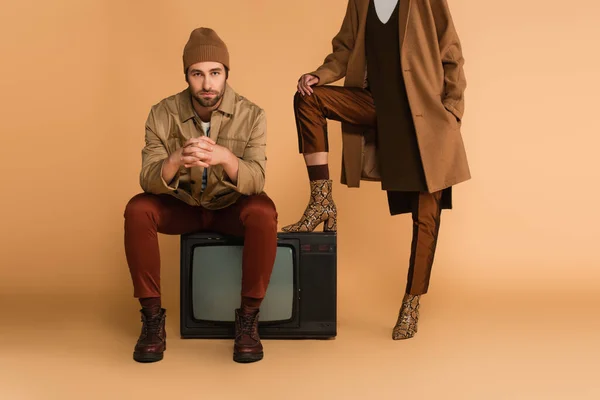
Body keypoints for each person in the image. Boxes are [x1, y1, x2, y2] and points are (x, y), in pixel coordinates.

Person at [281, 0, 470, 340]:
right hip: (376, 105)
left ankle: (412, 302)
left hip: (425, 117)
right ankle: (321, 201)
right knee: (308, 98)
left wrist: (452, 112)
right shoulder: (361, 2)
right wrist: (319, 75)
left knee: (427, 214)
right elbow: (343, 50)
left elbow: (451, 52)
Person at [123, 27, 277, 363]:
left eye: (215, 73)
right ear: (186, 76)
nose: (207, 84)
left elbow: (257, 179)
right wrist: (175, 160)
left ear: (226, 74)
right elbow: (147, 178)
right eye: (197, 74)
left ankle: (249, 318)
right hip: (183, 207)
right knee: (138, 209)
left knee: (264, 212)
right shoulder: (161, 113)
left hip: (228, 207)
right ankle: (152, 320)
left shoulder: (253, 115)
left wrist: (226, 158)